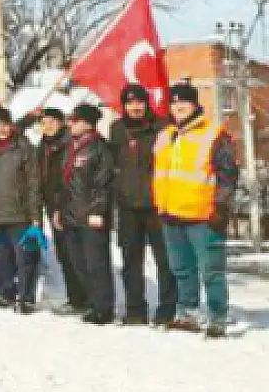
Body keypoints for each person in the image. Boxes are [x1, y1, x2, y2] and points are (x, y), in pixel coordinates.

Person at [153, 81, 238, 338]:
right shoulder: (165, 135)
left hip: (204, 216)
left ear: (195, 105)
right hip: (171, 215)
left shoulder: (213, 134)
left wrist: (221, 206)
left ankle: (217, 318)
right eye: (174, 103)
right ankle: (188, 314)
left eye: (184, 102)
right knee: (181, 269)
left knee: (211, 271)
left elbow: (228, 174)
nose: (178, 107)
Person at [109, 83, 176, 327]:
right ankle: (135, 310)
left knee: (165, 261)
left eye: (139, 102)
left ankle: (167, 310)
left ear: (147, 103)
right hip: (128, 206)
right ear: (124, 106)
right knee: (130, 261)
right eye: (130, 103)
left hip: (157, 205)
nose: (135, 107)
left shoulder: (163, 128)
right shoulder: (117, 129)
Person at [0, 107, 42, 314]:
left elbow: (33, 184)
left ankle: (26, 298)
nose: (2, 129)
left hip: (20, 214)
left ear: (11, 126)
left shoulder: (24, 148)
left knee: (25, 258)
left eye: (5, 125)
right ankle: (5, 293)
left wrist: (35, 215)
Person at [59, 104, 116, 325]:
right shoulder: (71, 147)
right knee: (78, 263)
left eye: (75, 120)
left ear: (87, 123)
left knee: (96, 264)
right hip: (71, 213)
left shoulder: (99, 148)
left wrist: (98, 210)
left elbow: (103, 183)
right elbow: (65, 182)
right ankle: (92, 301)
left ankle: (103, 308)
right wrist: (59, 209)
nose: (70, 124)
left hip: (91, 215)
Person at [29, 107, 88, 316]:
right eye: (44, 123)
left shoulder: (69, 144)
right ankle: (75, 298)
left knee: (77, 254)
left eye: (52, 122)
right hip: (51, 206)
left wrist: (62, 204)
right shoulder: (42, 146)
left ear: (62, 123)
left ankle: (88, 298)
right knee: (64, 254)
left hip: (70, 205)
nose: (48, 126)